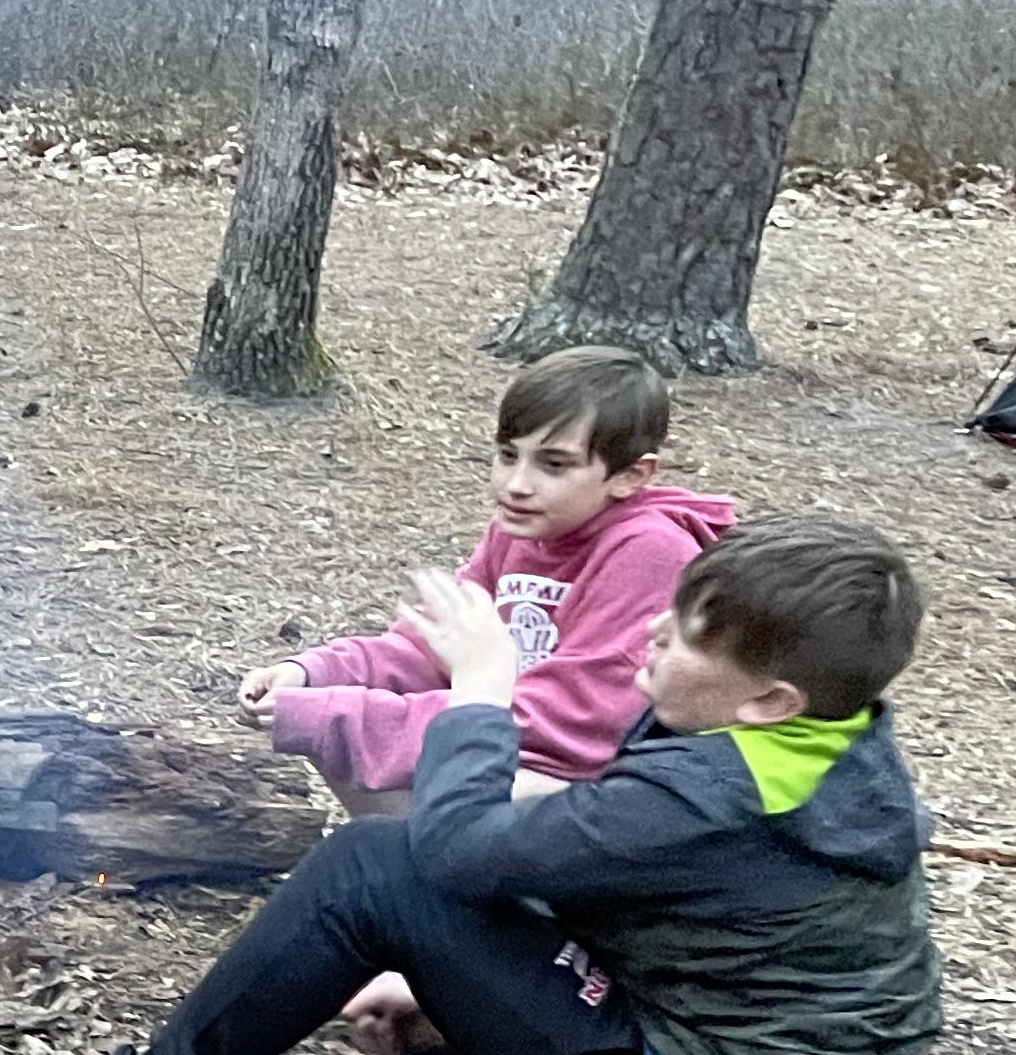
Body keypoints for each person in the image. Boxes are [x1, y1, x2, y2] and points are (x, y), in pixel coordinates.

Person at [0, 513, 940, 1055]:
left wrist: (487, 684)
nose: (653, 634)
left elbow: (452, 853)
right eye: (675, 605)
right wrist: (438, 969)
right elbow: (600, 877)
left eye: (688, 634)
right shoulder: (818, 741)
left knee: (378, 864)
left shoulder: (715, 791)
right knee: (463, 894)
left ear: (771, 700)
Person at [240, 346, 732, 810]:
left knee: (375, 745)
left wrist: (342, 716)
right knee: (347, 742)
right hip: (507, 742)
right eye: (507, 455)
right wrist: (312, 673)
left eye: (554, 465)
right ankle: (418, 881)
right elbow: (427, 647)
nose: (516, 486)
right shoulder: (523, 528)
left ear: (630, 477)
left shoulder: (651, 551)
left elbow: (572, 723)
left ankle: (465, 888)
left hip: (603, 788)